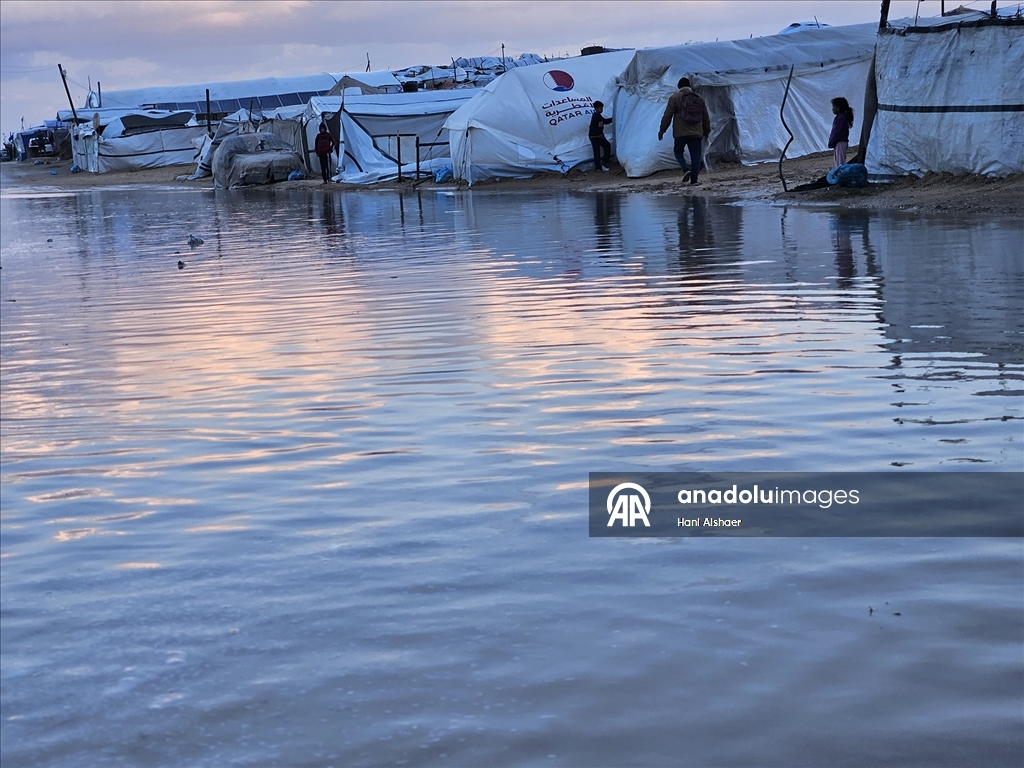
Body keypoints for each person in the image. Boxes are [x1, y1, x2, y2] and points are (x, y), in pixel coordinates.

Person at [658, 77, 711, 186]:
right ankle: (694, 180)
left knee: (678, 151)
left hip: (680, 132)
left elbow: (667, 115)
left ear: (679, 87)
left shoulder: (674, 98)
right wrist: (706, 132)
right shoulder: (699, 98)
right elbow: (705, 117)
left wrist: (662, 130)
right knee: (695, 156)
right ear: (690, 86)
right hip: (696, 132)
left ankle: (685, 169)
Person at [828, 97, 854, 168]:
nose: (832, 109)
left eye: (834, 107)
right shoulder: (840, 118)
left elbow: (837, 132)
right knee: (838, 161)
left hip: (840, 142)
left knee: (840, 163)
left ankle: (841, 176)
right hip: (839, 142)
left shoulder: (841, 118)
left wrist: (832, 142)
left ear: (838, 108)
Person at [589, 101, 613, 172]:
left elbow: (604, 121)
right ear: (596, 108)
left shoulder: (598, 116)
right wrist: (598, 135)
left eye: (602, 108)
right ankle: (598, 167)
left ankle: (604, 162)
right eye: (600, 108)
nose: (601, 109)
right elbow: (593, 128)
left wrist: (613, 119)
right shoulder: (595, 117)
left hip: (599, 136)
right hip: (595, 137)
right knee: (597, 151)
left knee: (606, 146)